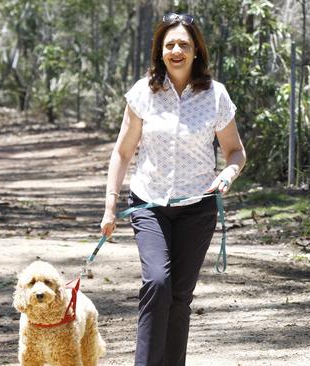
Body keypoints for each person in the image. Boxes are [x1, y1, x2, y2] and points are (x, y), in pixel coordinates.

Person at [100, 12, 246, 366]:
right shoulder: (142, 94)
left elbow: (235, 152)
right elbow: (122, 151)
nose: (176, 50)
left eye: (184, 44)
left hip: (198, 207)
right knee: (157, 283)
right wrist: (109, 206)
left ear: (196, 50)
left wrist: (228, 174)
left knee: (180, 295)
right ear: (160, 51)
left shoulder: (216, 96)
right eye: (169, 45)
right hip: (149, 204)